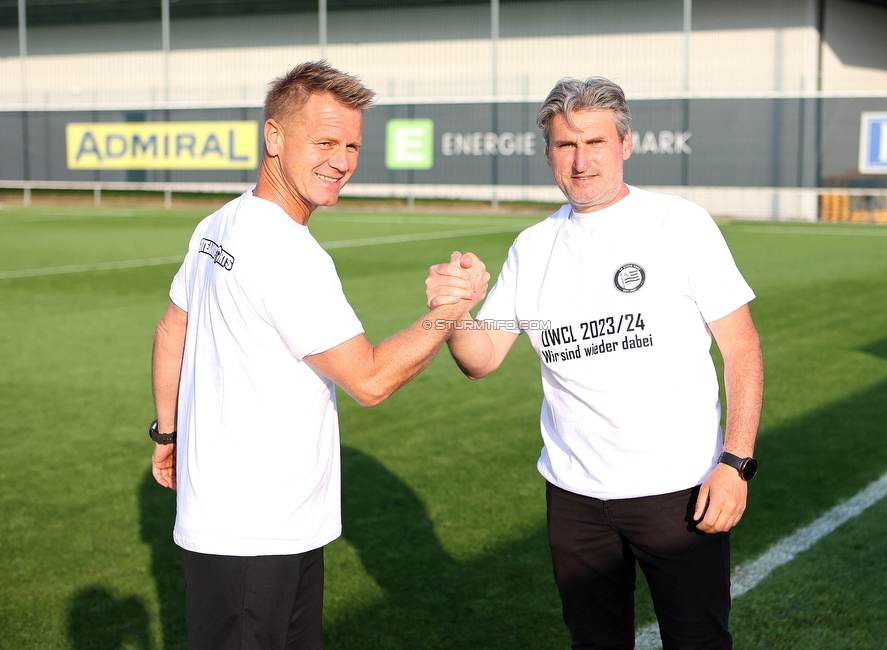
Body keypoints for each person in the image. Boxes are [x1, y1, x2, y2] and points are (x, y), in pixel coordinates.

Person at [149, 61, 487, 650]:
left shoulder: (219, 224)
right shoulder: (287, 252)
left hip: (254, 526)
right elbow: (371, 380)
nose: (342, 161)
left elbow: (170, 331)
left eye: (352, 145)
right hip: (258, 534)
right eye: (325, 142)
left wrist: (165, 434)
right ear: (274, 137)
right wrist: (450, 310)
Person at [426, 77, 763, 650]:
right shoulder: (533, 246)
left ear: (625, 145)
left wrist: (736, 463)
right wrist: (453, 312)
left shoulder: (679, 225)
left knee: (699, 641)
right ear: (549, 152)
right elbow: (481, 360)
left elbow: (742, 349)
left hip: (679, 492)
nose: (581, 162)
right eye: (565, 146)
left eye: (595, 143)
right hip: (576, 498)